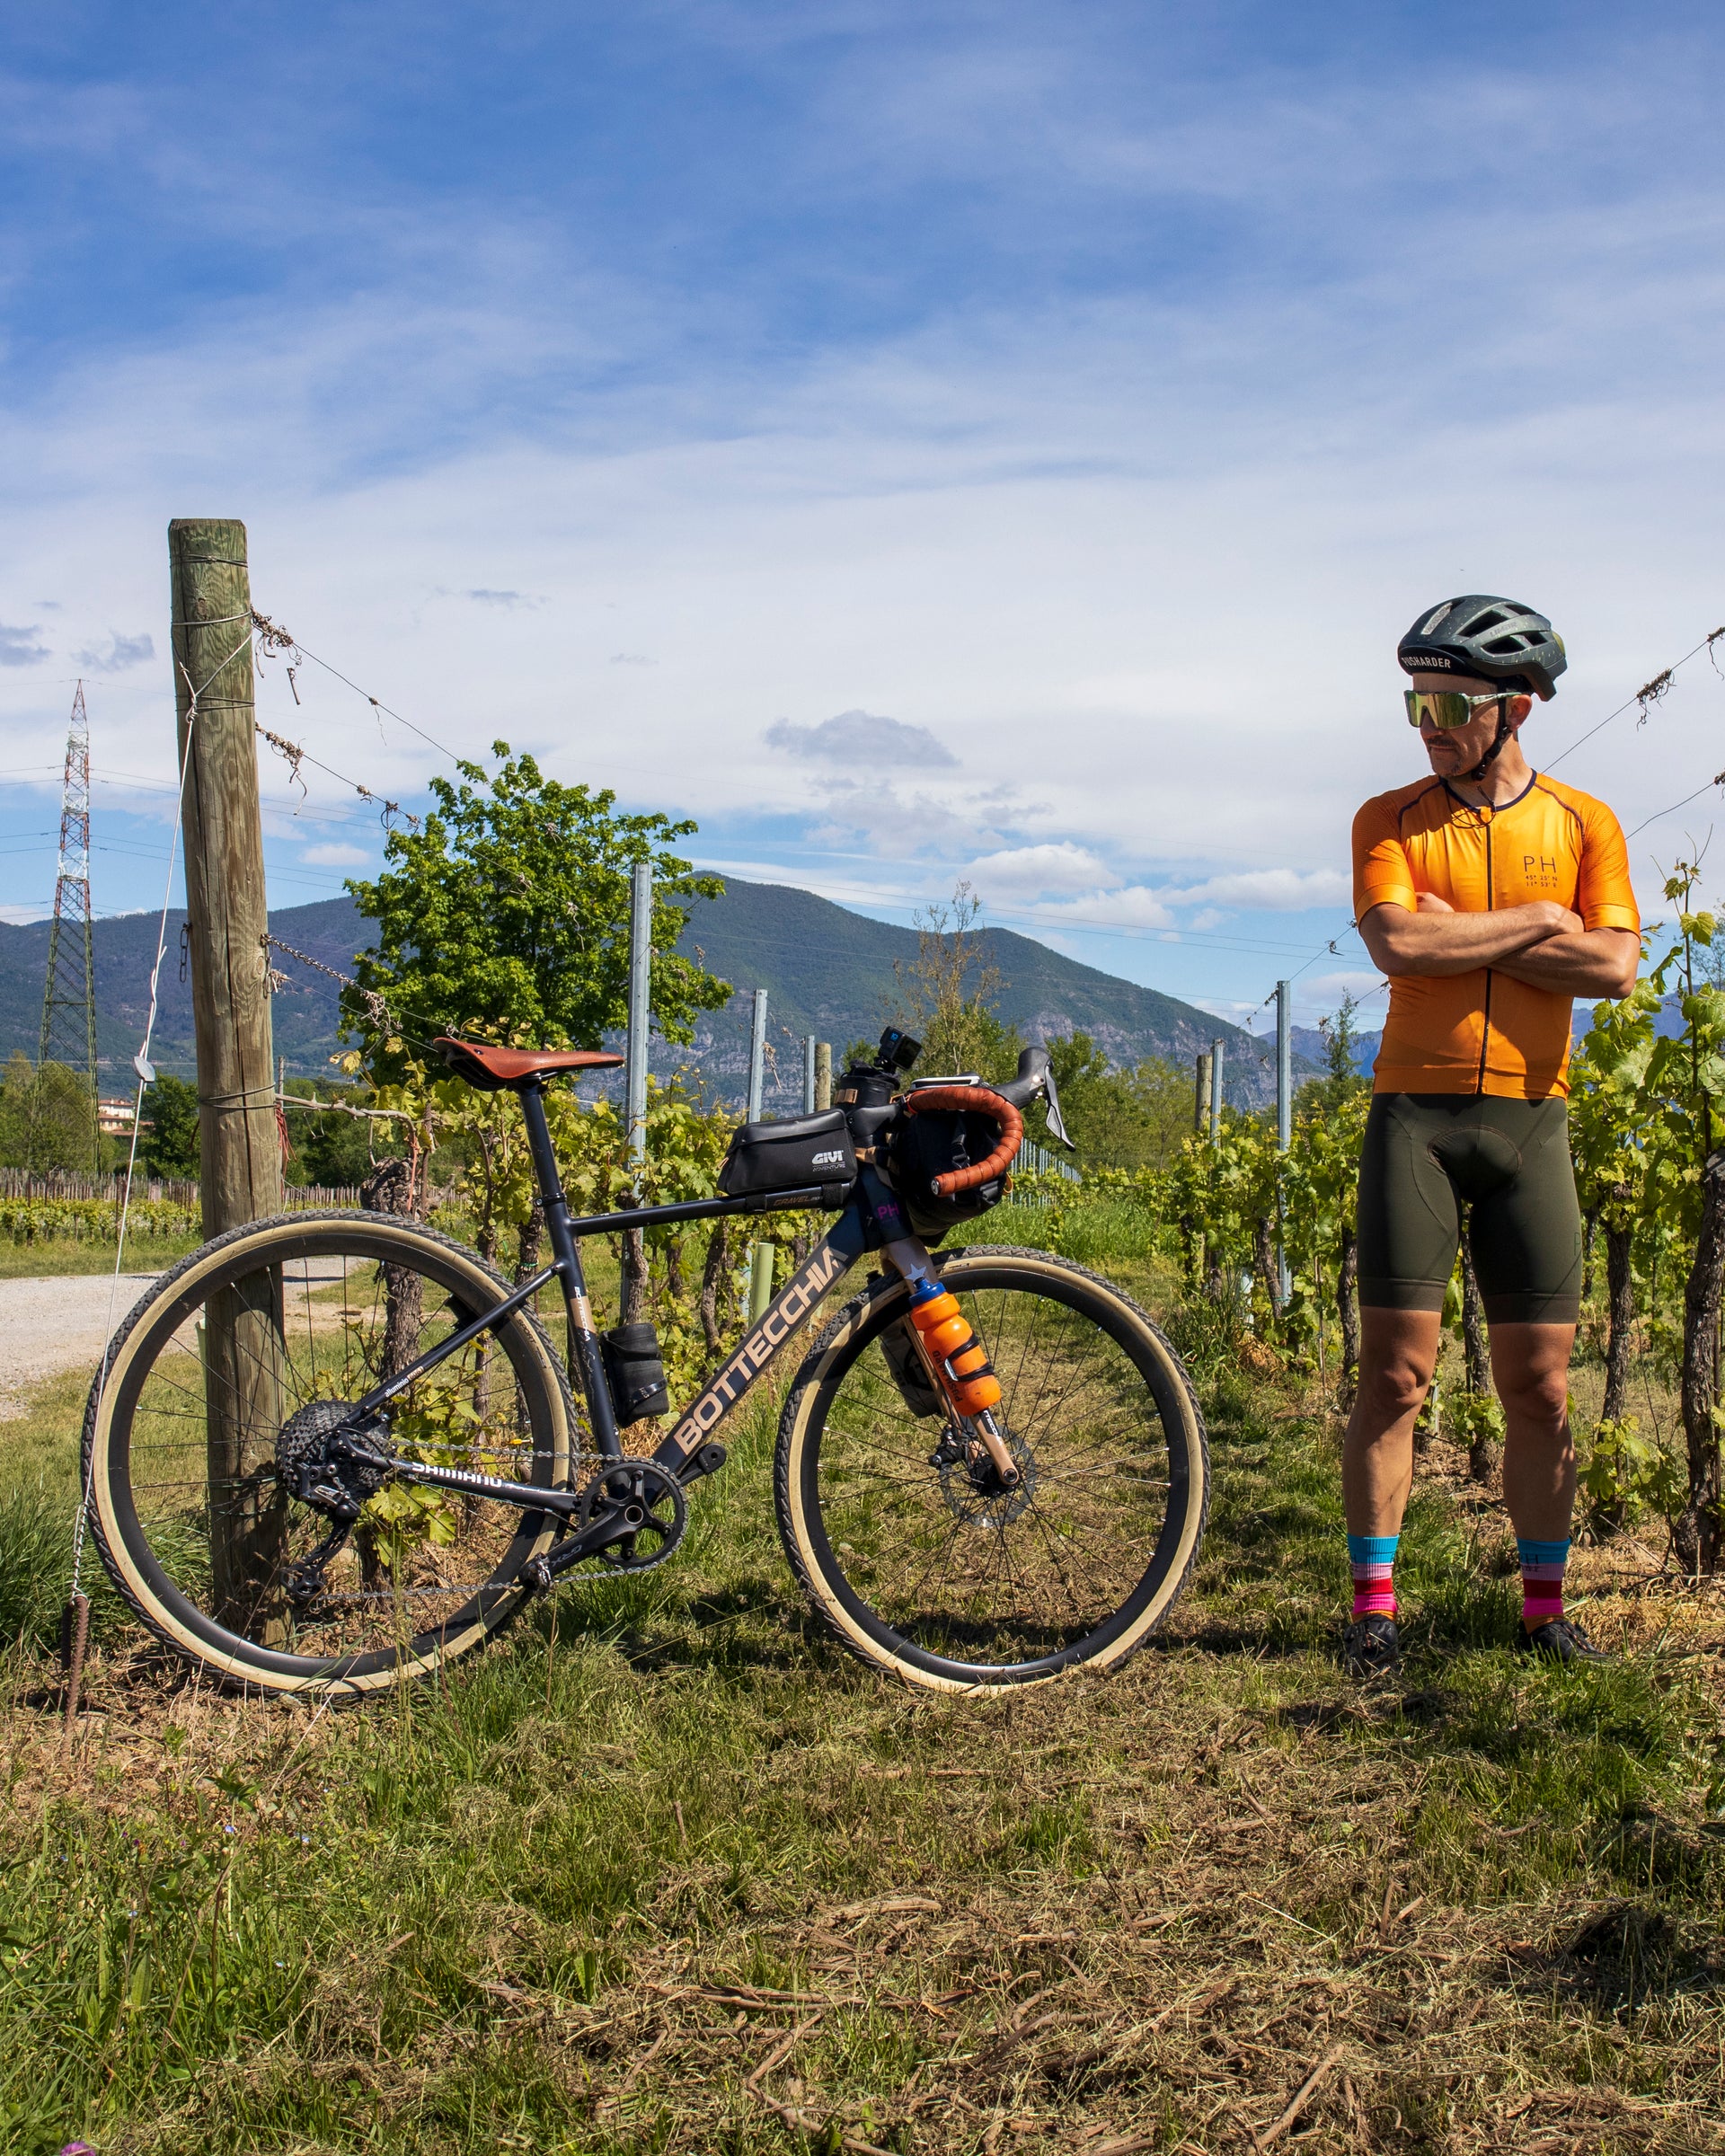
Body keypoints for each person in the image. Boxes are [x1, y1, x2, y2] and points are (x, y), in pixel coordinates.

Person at [1342, 596, 1641, 1674]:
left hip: (1532, 1120)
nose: (1426, 722)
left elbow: (1614, 969)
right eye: (1415, 701)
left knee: (1542, 1386)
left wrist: (1463, 940)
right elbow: (1398, 945)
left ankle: (1543, 1612)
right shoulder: (1390, 815)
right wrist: (1540, 924)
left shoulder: (1584, 824)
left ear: (1516, 708)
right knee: (1395, 1375)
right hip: (1411, 1118)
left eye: (1449, 703)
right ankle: (1375, 1616)